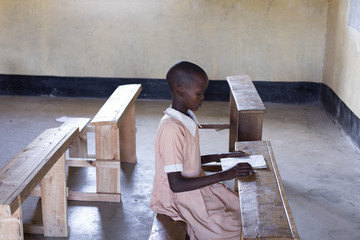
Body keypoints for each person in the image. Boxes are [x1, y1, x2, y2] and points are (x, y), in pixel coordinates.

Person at [150, 61, 253, 240]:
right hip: (179, 197)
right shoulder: (171, 128)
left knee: (244, 210)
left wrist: (224, 156)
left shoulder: (186, 117)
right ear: (180, 90)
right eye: (199, 93)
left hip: (195, 185)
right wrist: (225, 174)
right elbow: (176, 184)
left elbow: (189, 160)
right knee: (235, 229)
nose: (203, 97)